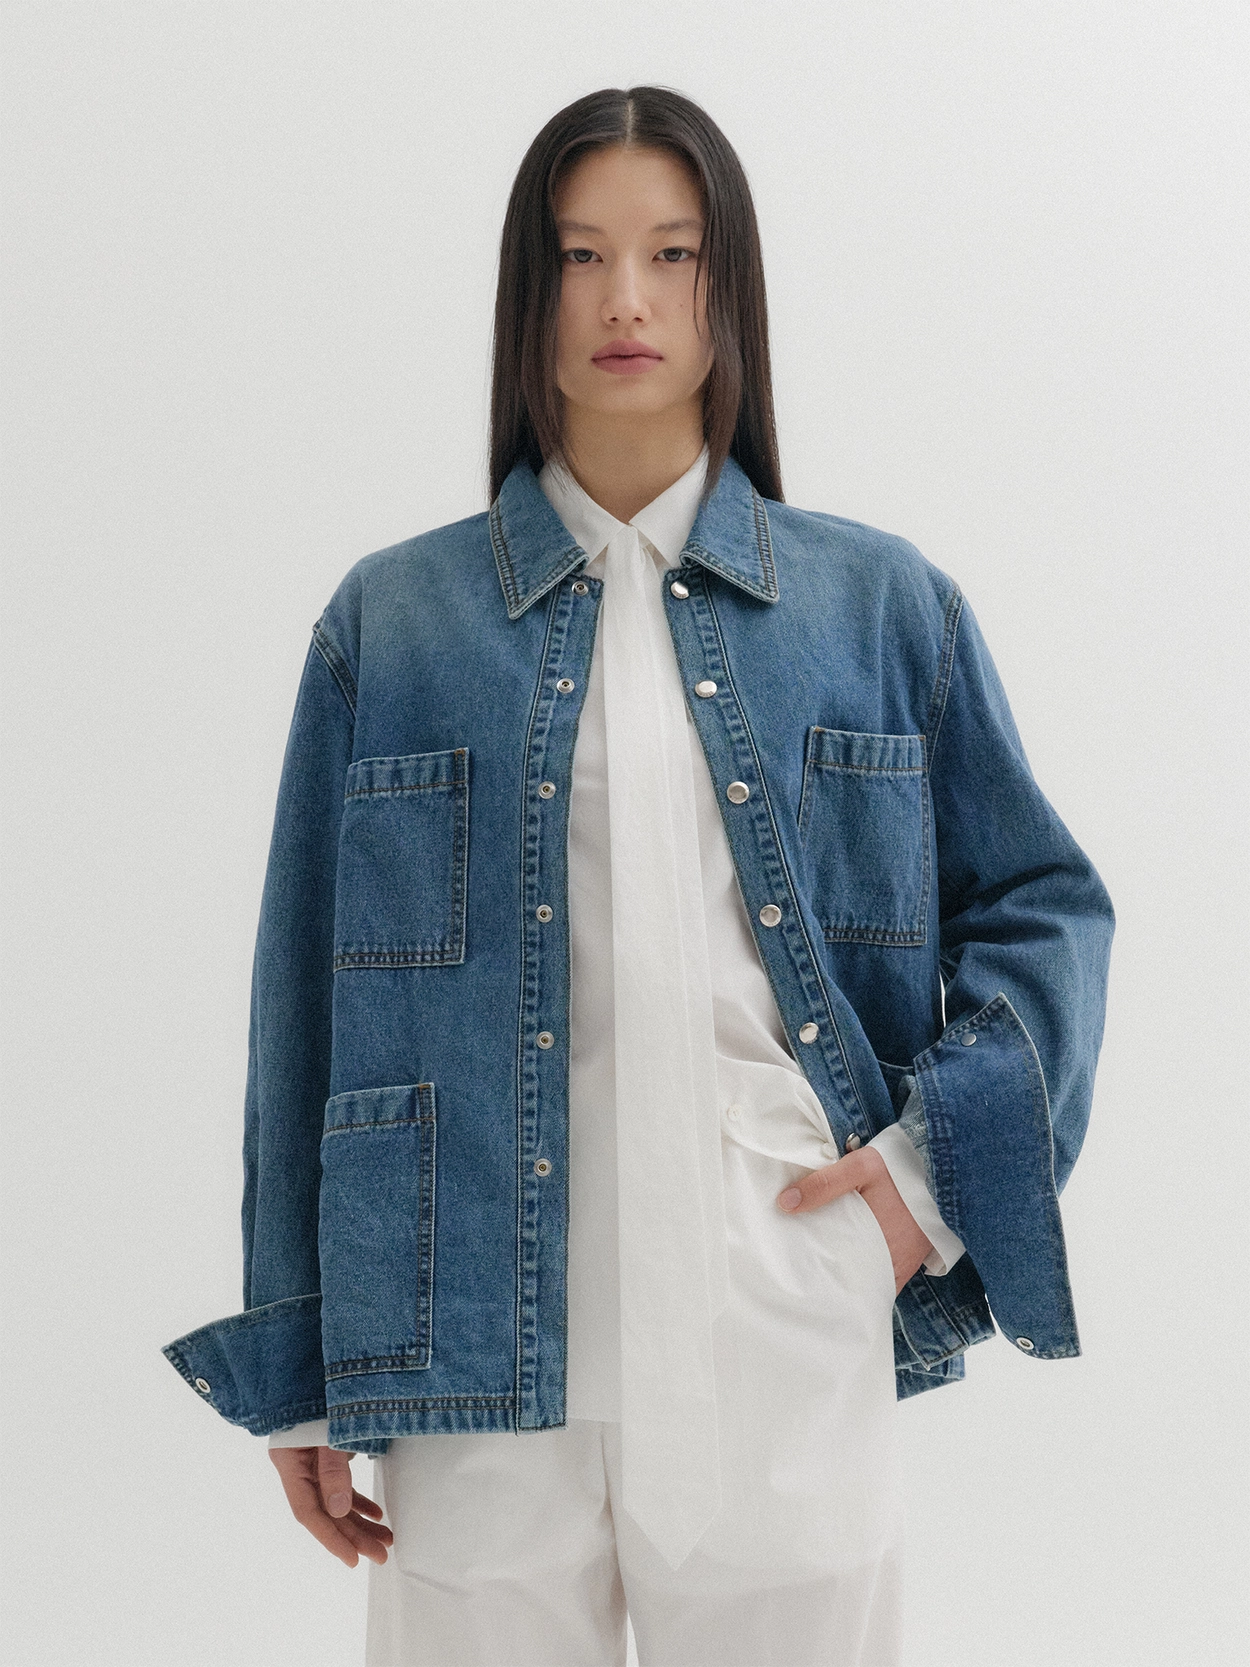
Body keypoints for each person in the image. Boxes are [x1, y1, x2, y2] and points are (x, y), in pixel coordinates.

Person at [162, 86, 1115, 1667]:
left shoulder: (878, 606)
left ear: (725, 286)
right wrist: (303, 1364)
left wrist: (921, 1182)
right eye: (579, 255)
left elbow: (1042, 908)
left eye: (671, 254)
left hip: (780, 1318)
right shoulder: (391, 625)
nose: (623, 300)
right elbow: (300, 1007)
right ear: (525, 294)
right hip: (468, 1352)